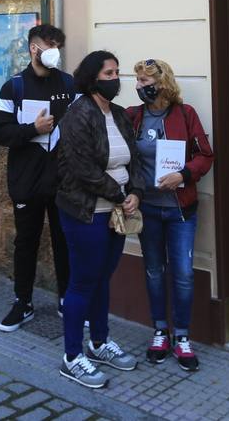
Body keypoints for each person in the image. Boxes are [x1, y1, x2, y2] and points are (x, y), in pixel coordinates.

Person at [54, 50, 142, 389]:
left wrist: (136, 192)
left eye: (117, 72)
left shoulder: (118, 114)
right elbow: (83, 169)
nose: (116, 79)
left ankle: (100, 342)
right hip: (85, 211)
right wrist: (121, 195)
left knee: (103, 277)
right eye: (109, 73)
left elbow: (131, 161)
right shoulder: (77, 115)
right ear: (92, 78)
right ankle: (72, 356)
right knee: (82, 282)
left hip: (118, 212)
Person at [125, 58, 215, 371]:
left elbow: (205, 154)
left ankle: (182, 335)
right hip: (147, 208)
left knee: (184, 273)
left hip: (180, 210)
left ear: (162, 84)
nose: (139, 88)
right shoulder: (133, 117)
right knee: (153, 270)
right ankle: (160, 331)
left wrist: (184, 175)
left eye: (145, 83)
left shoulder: (185, 114)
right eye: (137, 82)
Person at [0, 23, 74, 332]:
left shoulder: (69, 83)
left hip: (63, 181)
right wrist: (32, 131)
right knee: (26, 242)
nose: (54, 51)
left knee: (64, 241)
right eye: (48, 45)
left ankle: (68, 299)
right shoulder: (14, 87)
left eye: (58, 46)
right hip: (27, 181)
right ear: (33, 48)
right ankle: (22, 302)